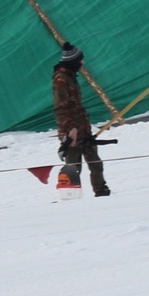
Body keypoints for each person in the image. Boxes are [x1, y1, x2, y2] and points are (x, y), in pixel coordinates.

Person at [52, 42, 110, 197]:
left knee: (95, 163)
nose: (83, 63)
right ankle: (70, 195)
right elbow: (62, 107)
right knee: (73, 166)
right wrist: (70, 129)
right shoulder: (61, 80)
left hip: (82, 127)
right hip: (72, 131)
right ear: (73, 61)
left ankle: (101, 191)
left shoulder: (70, 76)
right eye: (81, 60)